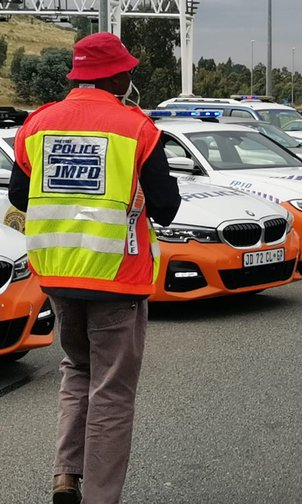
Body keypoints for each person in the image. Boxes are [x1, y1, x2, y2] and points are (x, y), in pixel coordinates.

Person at [8, 32, 181, 504]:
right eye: (128, 70)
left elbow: (19, 198)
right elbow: (166, 208)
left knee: (76, 370)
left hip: (59, 274)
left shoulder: (37, 124)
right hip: (116, 278)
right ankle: (101, 497)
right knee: (112, 390)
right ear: (117, 76)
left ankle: (66, 475)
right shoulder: (137, 128)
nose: (132, 77)